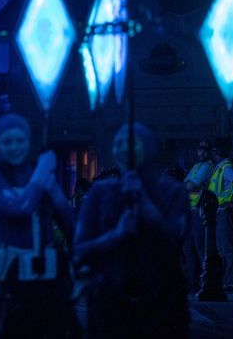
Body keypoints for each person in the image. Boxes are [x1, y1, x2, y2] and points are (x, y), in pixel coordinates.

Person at [74, 123, 189, 339]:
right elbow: (80, 250)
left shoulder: (174, 192)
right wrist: (115, 235)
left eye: (131, 144)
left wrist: (146, 206)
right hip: (109, 304)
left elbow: (174, 242)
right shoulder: (100, 192)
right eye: (117, 144)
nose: (123, 150)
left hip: (162, 303)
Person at [0, 114, 77, 338]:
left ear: (28, 141)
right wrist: (41, 177)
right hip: (7, 275)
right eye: (7, 141)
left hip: (45, 274)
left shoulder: (39, 171)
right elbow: (19, 207)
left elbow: (67, 220)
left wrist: (55, 192)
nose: (14, 147)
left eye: (20, 140)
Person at [209, 136, 233, 292]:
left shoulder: (226, 168)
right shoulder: (220, 168)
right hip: (219, 212)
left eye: (212, 150)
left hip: (224, 212)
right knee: (222, 249)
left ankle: (231, 281)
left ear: (216, 151)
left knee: (227, 248)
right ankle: (226, 280)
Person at [183, 138, 214, 291]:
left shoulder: (208, 167)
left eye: (205, 150)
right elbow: (185, 185)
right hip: (190, 210)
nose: (202, 152)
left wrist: (188, 185)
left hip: (199, 210)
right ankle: (193, 283)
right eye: (200, 149)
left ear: (209, 152)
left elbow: (190, 185)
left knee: (201, 249)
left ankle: (205, 283)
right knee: (188, 249)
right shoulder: (196, 166)